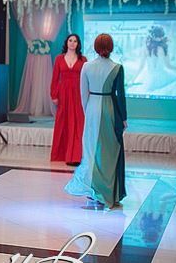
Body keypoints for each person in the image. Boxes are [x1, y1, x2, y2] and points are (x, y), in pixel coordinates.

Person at [64, 34, 127, 209]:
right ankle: (109, 193)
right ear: (111, 47)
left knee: (91, 150)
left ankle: (94, 190)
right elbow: (121, 96)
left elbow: (83, 93)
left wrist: (88, 112)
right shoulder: (117, 67)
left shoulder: (86, 66)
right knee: (109, 151)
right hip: (110, 110)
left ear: (96, 47)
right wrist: (124, 118)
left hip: (92, 108)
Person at [50, 34, 87, 165]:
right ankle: (61, 154)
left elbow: (86, 79)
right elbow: (55, 78)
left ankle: (76, 155)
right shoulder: (59, 59)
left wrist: (86, 95)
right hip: (63, 94)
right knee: (63, 123)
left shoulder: (83, 60)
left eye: (75, 41)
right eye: (70, 40)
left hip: (78, 94)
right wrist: (54, 95)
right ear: (66, 42)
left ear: (78, 44)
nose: (72, 43)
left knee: (77, 123)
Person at [129, 25, 176, 97]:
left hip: (147, 77)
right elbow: (168, 66)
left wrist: (133, 80)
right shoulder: (162, 48)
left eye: (161, 36)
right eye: (159, 36)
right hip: (160, 77)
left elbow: (141, 67)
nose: (161, 38)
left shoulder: (146, 48)